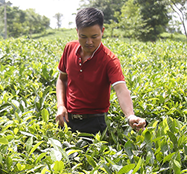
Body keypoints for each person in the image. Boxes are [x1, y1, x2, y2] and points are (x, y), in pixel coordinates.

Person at [56, 7, 146, 135]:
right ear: (77, 32)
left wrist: (130, 116)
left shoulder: (109, 60)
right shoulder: (69, 48)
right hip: (66, 119)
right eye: (83, 36)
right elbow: (62, 78)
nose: (89, 42)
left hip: (94, 122)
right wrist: (61, 106)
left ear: (102, 31)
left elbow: (120, 89)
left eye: (94, 36)